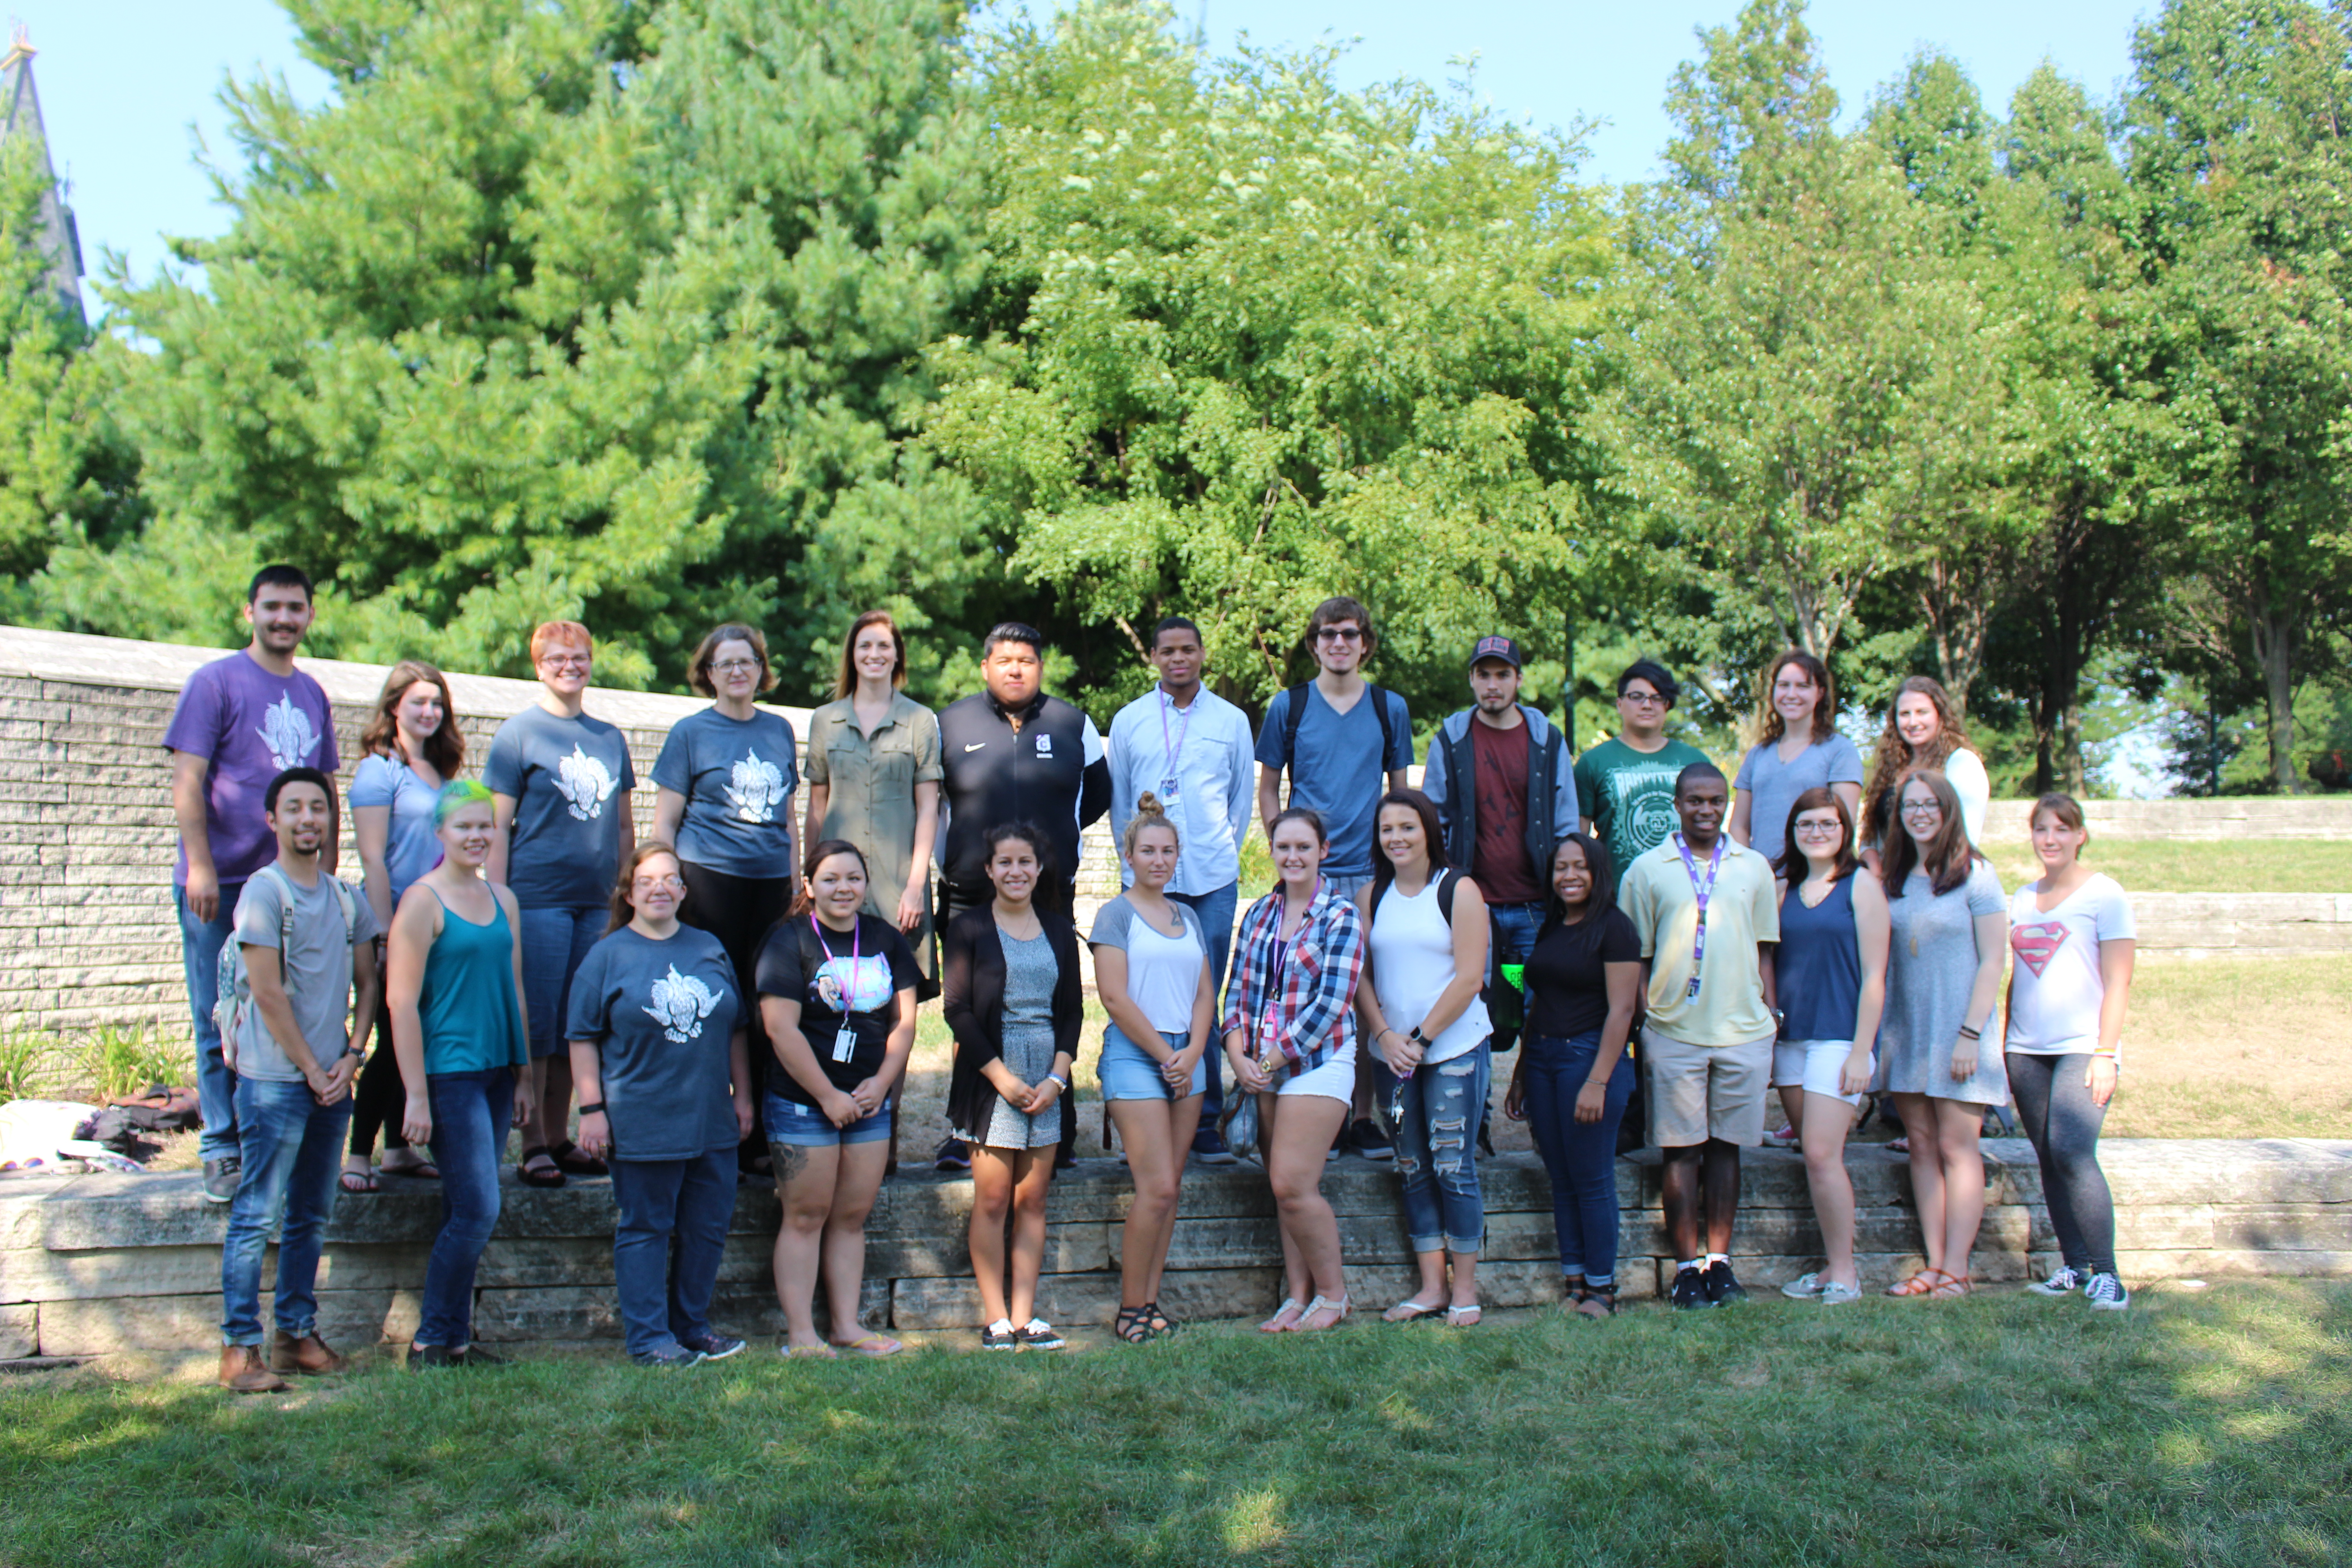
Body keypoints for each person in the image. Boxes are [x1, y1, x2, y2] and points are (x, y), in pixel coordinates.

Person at [163, 564, 340, 1203]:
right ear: (250, 613)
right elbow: (189, 779)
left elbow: (324, 791)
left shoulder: (314, 693)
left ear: (309, 616)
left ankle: (275, 1140)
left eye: (296, 608)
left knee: (290, 1012)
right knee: (222, 1015)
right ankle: (221, 1145)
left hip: (293, 886)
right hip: (226, 881)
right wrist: (201, 865)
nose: (284, 619)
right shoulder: (214, 683)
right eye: (272, 608)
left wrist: (330, 873)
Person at [215, 768, 381, 1392]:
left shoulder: (344, 898)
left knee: (311, 1214)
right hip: (274, 1082)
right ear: (272, 820)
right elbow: (266, 990)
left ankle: (295, 1336)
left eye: (318, 808)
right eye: (294, 809)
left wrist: (353, 1054)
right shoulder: (265, 892)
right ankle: (239, 1350)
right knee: (257, 1214)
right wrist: (314, 1068)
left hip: (332, 1083)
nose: (308, 819)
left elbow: (369, 983)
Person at [566, 843, 754, 1368]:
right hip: (641, 1119)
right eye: (647, 880)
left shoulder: (709, 947)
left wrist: (744, 1097)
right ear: (629, 893)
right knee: (646, 1226)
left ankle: (691, 1328)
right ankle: (649, 1339)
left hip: (711, 1117)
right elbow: (581, 1035)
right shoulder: (607, 956)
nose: (660, 888)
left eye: (671, 879)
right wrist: (591, 1109)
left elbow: (735, 1026)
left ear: (684, 891)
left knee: (707, 1227)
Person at [933, 623, 1108, 1171]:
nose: (1015, 669)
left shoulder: (1074, 723)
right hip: (969, 892)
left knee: (1053, 1008)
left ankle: (1060, 1133)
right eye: (1004, 659)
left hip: (1047, 892)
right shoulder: (948, 723)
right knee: (972, 1012)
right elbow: (932, 801)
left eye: (1027, 660)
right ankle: (966, 1133)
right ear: (985, 666)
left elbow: (1097, 794)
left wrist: (1043, 848)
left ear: (1040, 667)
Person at [1252, 597, 1412, 1160]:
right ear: (1314, 642)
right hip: (1309, 879)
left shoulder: (1389, 707)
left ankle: (1361, 1115)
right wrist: (1288, 849)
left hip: (1368, 875)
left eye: (1349, 634)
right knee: (1302, 996)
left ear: (1365, 642)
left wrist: (1397, 860)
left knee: (1367, 999)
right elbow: (1269, 786)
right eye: (1327, 634)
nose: (1338, 643)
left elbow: (1400, 792)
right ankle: (1309, 1107)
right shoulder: (1288, 707)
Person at [1618, 762, 1779, 1310]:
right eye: (1695, 801)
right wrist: (1645, 1018)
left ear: (1727, 804)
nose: (1706, 811)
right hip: (1673, 1031)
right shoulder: (1647, 869)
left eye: (1716, 801)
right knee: (1681, 1150)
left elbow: (1765, 949)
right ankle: (1687, 1269)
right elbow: (1635, 955)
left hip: (1742, 1030)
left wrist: (1769, 1013)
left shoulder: (1753, 867)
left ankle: (1721, 1263)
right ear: (1677, 804)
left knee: (1726, 1148)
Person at [386, 781, 533, 1369]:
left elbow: (515, 990)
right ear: (440, 833)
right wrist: (416, 1096)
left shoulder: (504, 899)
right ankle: (430, 1342)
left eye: (485, 826)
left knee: (463, 1206)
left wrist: (523, 1075)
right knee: (478, 1209)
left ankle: (453, 1341)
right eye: (464, 827)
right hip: (451, 1075)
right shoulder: (421, 902)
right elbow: (400, 1003)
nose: (477, 835)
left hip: (498, 1072)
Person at [485, 620, 637, 1188]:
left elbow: (623, 825)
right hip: (537, 899)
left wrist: (626, 894)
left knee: (580, 1023)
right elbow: (499, 827)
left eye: (579, 657)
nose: (569, 666)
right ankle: (531, 1145)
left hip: (597, 904)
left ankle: (558, 1134)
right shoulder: (518, 735)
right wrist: (499, 900)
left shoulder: (609, 736)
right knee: (539, 1023)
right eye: (556, 658)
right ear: (537, 665)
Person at [755, 840, 920, 1358]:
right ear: (809, 887)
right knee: (805, 1216)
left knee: (851, 1217)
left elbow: (905, 1021)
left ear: (865, 884)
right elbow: (780, 1030)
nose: (843, 888)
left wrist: (883, 1081)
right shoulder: (789, 941)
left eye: (853, 878)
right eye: (830, 879)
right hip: (803, 1105)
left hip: (868, 1104)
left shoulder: (885, 940)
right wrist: (827, 1096)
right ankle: (803, 1336)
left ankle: (847, 1327)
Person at [1105, 616, 1253, 1166]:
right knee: (1143, 997)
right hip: (1144, 882)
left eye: (1188, 650)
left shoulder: (1232, 720)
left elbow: (1239, 801)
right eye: (1168, 651)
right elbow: (1123, 800)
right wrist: (1139, 868)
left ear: (1203, 653)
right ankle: (1147, 1114)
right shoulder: (1130, 721)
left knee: (1202, 1001)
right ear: (1153, 657)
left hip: (1211, 877)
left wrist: (1217, 852)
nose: (1179, 660)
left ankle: (1205, 1118)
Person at [652, 623, 799, 1173]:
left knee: (765, 1006)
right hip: (707, 882)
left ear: (761, 670)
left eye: (747, 662)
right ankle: (705, 1128)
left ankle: (755, 1135)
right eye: (725, 664)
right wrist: (666, 883)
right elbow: (665, 821)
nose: (737, 672)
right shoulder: (691, 733)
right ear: (707, 674)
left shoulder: (781, 729)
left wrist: (794, 884)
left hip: (769, 890)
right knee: (713, 1004)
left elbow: (786, 818)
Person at [1220, 807, 1367, 1334]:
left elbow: (1332, 1003)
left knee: (1292, 1181)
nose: (1294, 857)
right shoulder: (1259, 912)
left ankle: (1334, 1295)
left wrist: (1268, 1058)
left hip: (1317, 1063)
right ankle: (1296, 1294)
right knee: (1280, 1186)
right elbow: (1235, 991)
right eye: (1284, 847)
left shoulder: (1341, 916)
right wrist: (1238, 1055)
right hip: (1261, 1067)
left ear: (1324, 851)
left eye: (1304, 847)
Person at [941, 823, 1083, 1350]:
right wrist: (1002, 1077)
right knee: (995, 1199)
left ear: (1039, 868)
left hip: (1047, 1077)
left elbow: (1072, 1011)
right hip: (991, 1076)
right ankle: (996, 1316)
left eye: (1025, 861)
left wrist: (1057, 1077)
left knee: (1034, 1201)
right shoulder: (970, 929)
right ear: (988, 870)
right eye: (1005, 862)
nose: (1016, 871)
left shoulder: (1058, 929)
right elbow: (956, 1010)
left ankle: (1026, 1315)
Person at [1355, 789, 1492, 1326]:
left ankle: (1466, 1289)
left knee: (1454, 1166)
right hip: (1390, 1054)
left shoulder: (1458, 890)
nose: (1397, 838)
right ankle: (1432, 1287)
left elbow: (1469, 978)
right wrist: (1386, 1035)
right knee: (1412, 1166)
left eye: (1408, 827)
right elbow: (1362, 976)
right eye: (1387, 829)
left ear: (1429, 830)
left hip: (1452, 1047)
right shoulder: (1372, 895)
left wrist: (1420, 1039)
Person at [1876, 769, 2009, 1300]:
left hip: (1959, 1031)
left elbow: (1994, 959)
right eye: (1911, 806)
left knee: (1958, 1148)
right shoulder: (1895, 876)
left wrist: (1970, 1034)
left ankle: (1958, 1268)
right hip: (1907, 1030)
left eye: (1931, 804)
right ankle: (1933, 1264)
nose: (1920, 814)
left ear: (1948, 809)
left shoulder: (1977, 875)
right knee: (1923, 1148)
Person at [1419, 634, 1582, 1062]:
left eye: (1503, 675)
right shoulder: (1452, 740)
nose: (1493, 684)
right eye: (1484, 675)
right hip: (1476, 908)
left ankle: (1537, 1108)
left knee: (1535, 1008)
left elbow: (1566, 820)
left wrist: (1564, 889)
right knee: (1478, 1011)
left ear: (1518, 680)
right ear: (1472, 679)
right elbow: (1434, 818)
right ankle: (1480, 1121)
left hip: (1535, 906)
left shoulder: (1546, 739)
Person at [1089, 794, 1215, 1342]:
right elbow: (1114, 998)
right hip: (1138, 1057)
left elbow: (1206, 993)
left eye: (1167, 851)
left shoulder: (1186, 915)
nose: (1159, 860)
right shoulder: (1115, 915)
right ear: (1129, 855)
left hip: (1187, 1058)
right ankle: (1130, 1307)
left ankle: (1151, 1301)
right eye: (1148, 851)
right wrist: (1168, 1058)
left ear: (1177, 856)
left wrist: (1191, 1054)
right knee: (1156, 1188)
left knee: (1172, 1189)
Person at [2006, 793, 2135, 1311]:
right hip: (2026, 1049)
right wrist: (2007, 1042)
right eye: (2041, 829)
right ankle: (2074, 1267)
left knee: (2073, 1151)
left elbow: (2119, 981)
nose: (2051, 839)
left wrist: (2106, 1053)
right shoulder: (2021, 896)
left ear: (2080, 835)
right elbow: (2017, 976)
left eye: (2062, 829)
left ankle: (2109, 1276)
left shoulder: (2105, 895)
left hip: (2084, 1046)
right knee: (2048, 1157)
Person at [1505, 833, 1640, 1319]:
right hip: (1542, 1058)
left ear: (1598, 871)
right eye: (1561, 867)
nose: (1569, 876)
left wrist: (1599, 1080)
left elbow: (1623, 1010)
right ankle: (1576, 1281)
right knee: (1560, 1177)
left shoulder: (1616, 928)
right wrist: (1521, 1071)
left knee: (1593, 1177)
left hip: (1589, 1057)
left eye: (1579, 867)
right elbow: (1536, 999)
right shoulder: (1552, 927)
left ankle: (1603, 1290)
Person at [344, 660, 462, 1193]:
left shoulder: (441, 772)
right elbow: (374, 860)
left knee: (420, 1039)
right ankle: (358, 1153)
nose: (429, 712)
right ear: (394, 707)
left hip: (442, 922)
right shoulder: (379, 770)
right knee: (392, 1043)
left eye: (437, 703)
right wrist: (385, 935)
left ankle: (398, 1149)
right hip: (398, 925)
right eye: (418, 702)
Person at [1769, 789, 1890, 1307]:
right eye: (1807, 824)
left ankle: (1846, 1273)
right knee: (1810, 1154)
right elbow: (1765, 959)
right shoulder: (1783, 886)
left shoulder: (1861, 885)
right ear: (1793, 831)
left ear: (1845, 830)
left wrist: (1863, 1051)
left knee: (1822, 1153)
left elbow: (1877, 976)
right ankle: (1826, 1270)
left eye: (1828, 824)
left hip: (1840, 1040)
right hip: (1790, 1040)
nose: (1817, 832)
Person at [801, 611, 943, 984]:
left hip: (896, 880)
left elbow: (928, 808)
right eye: (865, 645)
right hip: (835, 881)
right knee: (832, 981)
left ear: (898, 655)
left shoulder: (920, 720)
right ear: (852, 654)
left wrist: (915, 886)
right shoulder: (824, 720)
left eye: (884, 645)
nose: (874, 654)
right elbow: (816, 808)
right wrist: (809, 878)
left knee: (896, 988)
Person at [1575, 660, 1712, 901]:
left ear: (1667, 705)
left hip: (1687, 897)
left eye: (1657, 698)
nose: (1647, 704)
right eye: (1637, 696)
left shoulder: (1695, 761)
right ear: (1619, 704)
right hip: (1617, 898)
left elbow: (1710, 831)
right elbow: (1579, 838)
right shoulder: (1593, 762)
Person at [1729, 650, 1865, 864]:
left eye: (1803, 686)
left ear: (1820, 693)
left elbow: (1843, 828)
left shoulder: (1840, 750)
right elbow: (1739, 826)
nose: (1792, 694)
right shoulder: (1757, 755)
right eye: (1784, 685)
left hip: (1816, 883)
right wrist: (1752, 872)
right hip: (1763, 883)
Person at [1861, 675, 1990, 863]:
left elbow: (1963, 841)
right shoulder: (1890, 768)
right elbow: (1871, 836)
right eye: (1905, 714)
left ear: (1940, 715)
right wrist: (1873, 866)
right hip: (1886, 884)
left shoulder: (1962, 764)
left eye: (1922, 712)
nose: (1913, 722)